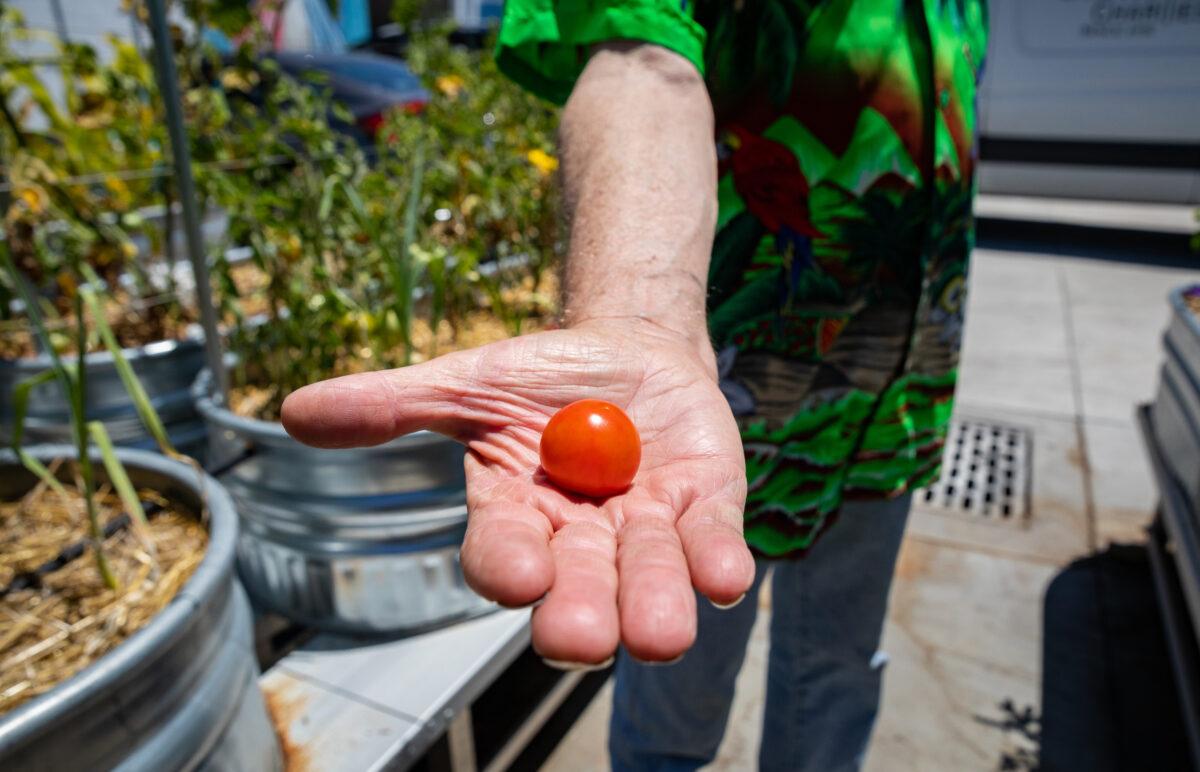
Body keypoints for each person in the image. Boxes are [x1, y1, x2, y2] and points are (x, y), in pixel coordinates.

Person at [282, 0, 988, 768]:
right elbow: (645, 64)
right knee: (676, 690)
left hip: (898, 411)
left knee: (841, 668)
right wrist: (636, 317)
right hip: (719, 430)